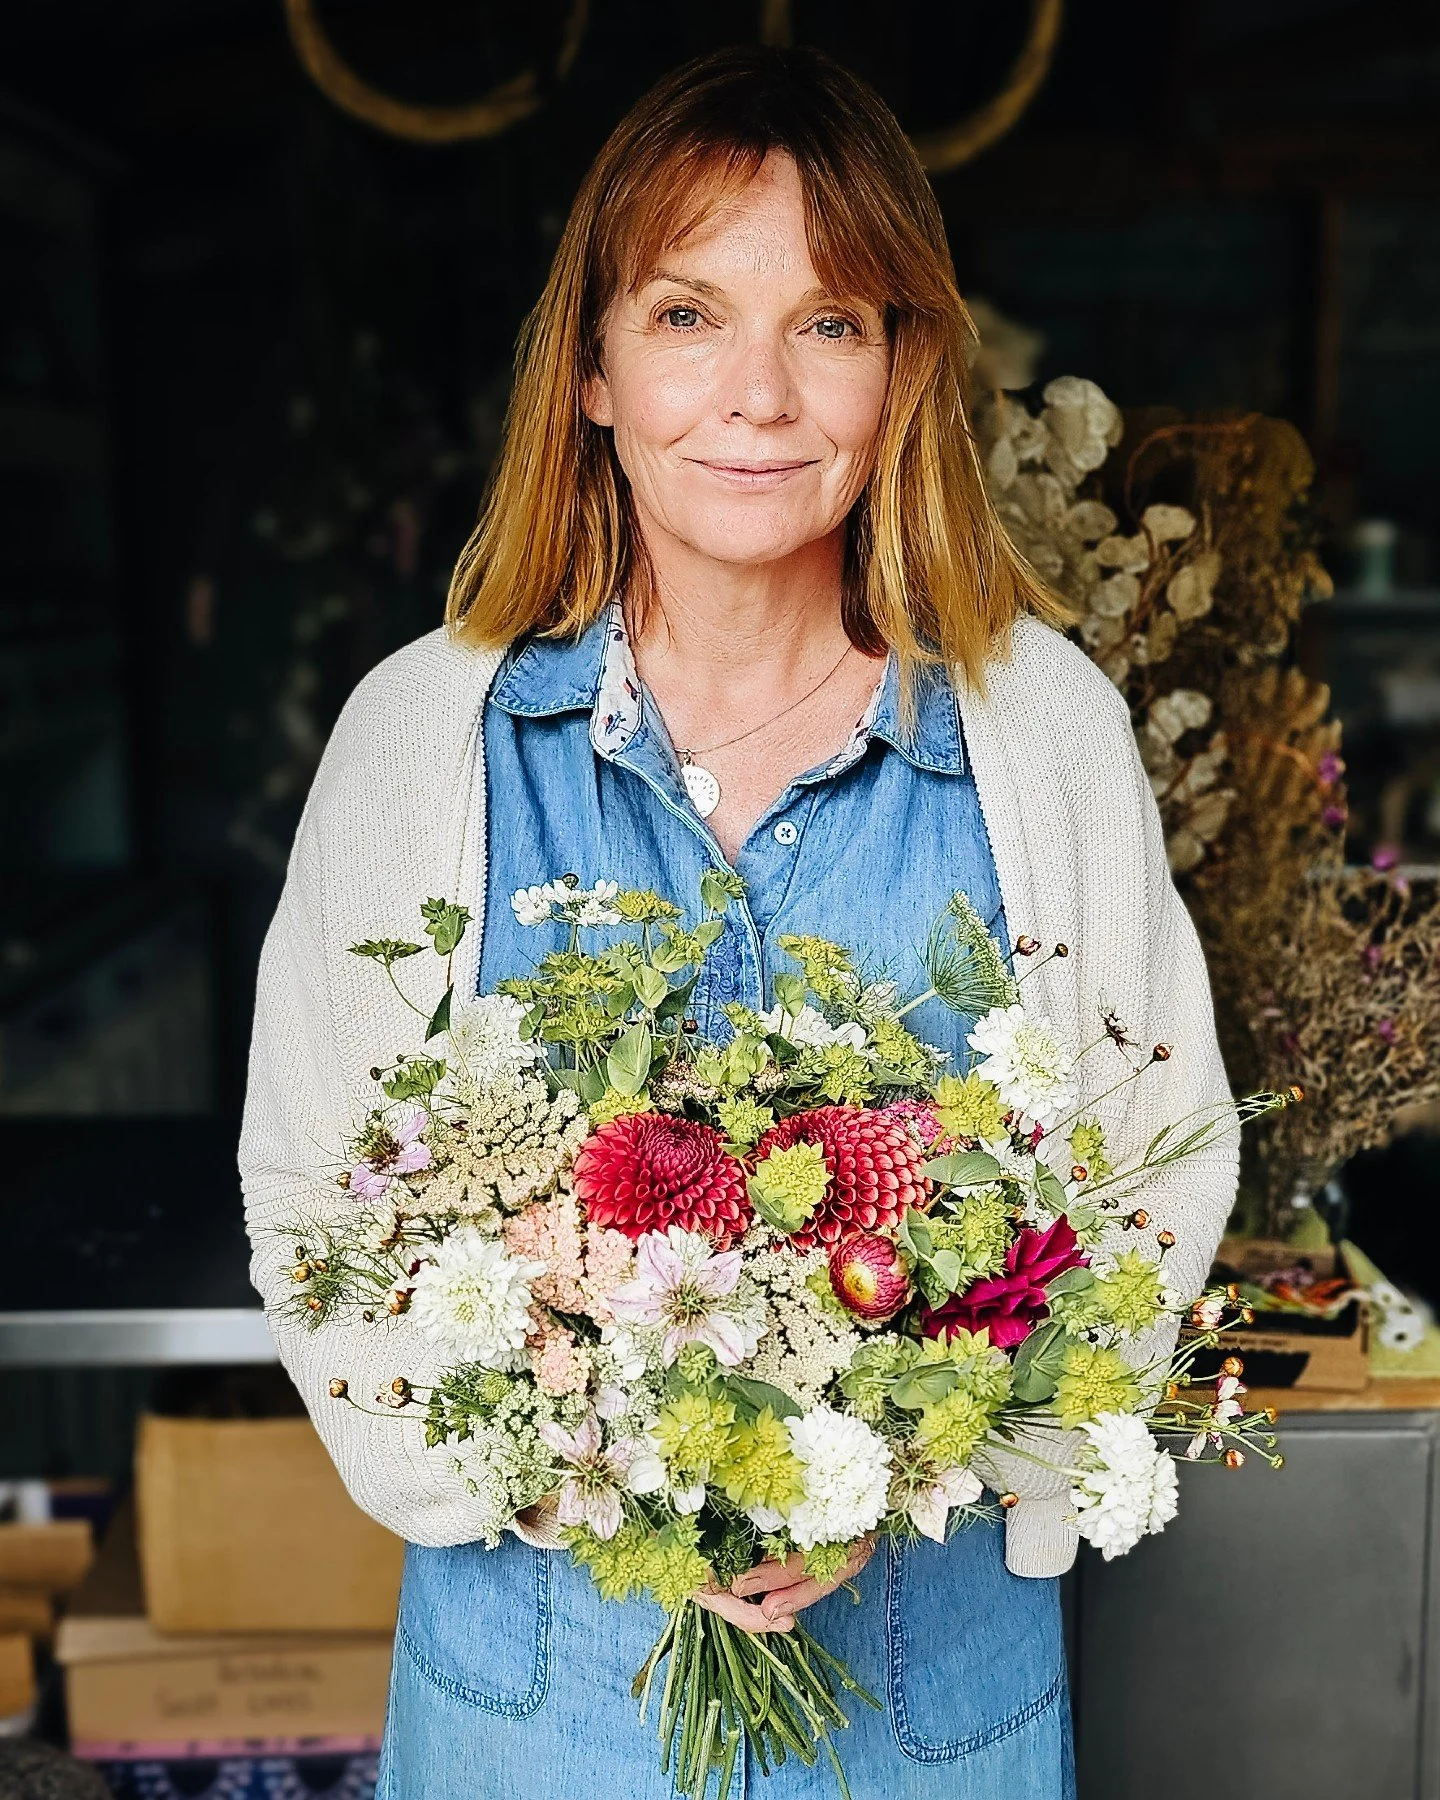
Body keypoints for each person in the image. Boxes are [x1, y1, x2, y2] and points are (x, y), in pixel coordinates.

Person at [238, 43, 1238, 1800]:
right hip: (538, 1710)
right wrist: (588, 1477)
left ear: (903, 369)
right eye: (690, 315)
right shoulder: (425, 735)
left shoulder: (1040, 734)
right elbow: (316, 1187)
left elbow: (1158, 1171)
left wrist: (917, 1463)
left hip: (922, 1709)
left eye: (830, 322)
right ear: (595, 370)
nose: (759, 396)